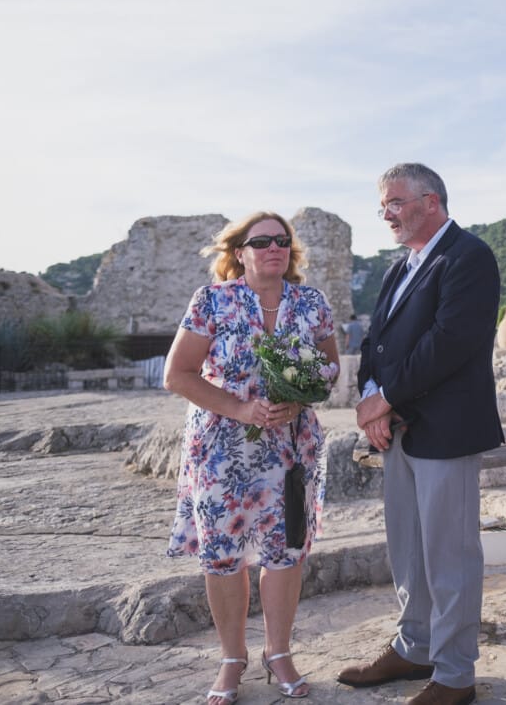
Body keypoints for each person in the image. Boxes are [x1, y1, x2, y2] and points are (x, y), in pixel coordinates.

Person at [338, 163, 502, 705]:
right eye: (382, 205)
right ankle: (414, 647)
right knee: (407, 549)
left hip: (446, 429)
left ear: (430, 202)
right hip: (400, 429)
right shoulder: (398, 267)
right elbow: (376, 339)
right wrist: (371, 397)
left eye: (394, 202)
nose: (385, 214)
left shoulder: (468, 257)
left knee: (449, 556)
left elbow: (450, 341)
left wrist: (386, 398)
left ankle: (455, 675)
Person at [165, 211, 338, 704]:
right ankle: (232, 659)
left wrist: (298, 399)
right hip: (223, 451)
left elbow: (329, 367)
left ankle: (278, 653)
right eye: (260, 241)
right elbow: (178, 374)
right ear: (238, 252)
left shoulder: (311, 302)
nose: (273, 248)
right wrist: (241, 408)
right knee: (223, 556)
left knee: (286, 552)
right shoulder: (213, 301)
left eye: (282, 240)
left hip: (292, 448)